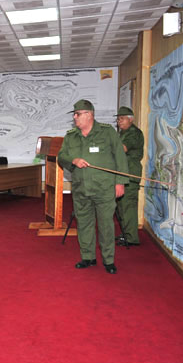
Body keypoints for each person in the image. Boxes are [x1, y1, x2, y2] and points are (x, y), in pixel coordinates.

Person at [58, 99, 129, 274]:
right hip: (81, 188)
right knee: (84, 224)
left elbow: (120, 157)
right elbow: (61, 157)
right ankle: (88, 257)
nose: (75, 117)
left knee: (106, 225)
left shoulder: (107, 132)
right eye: (74, 114)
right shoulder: (70, 136)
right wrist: (72, 160)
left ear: (89, 115)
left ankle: (108, 260)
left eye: (78, 114)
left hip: (104, 188)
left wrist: (120, 182)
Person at [115, 106, 144, 246]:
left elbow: (122, 149)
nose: (119, 121)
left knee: (128, 205)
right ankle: (126, 234)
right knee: (121, 206)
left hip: (130, 173)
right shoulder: (123, 133)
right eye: (118, 119)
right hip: (123, 172)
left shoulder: (133, 133)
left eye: (122, 118)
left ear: (130, 119)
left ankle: (131, 238)